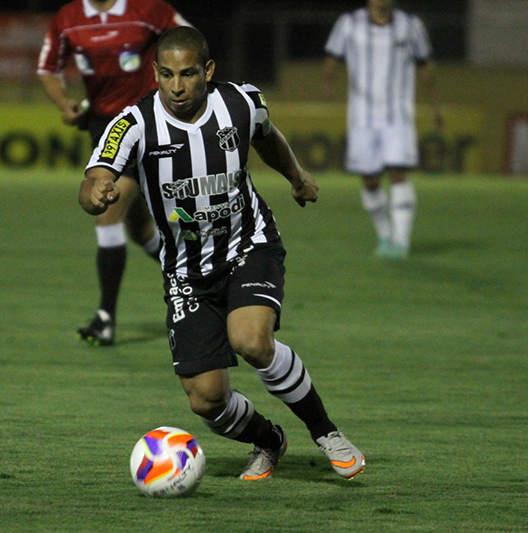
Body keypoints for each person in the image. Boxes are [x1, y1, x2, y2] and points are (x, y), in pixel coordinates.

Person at [80, 26, 365, 480]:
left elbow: (268, 137)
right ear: (154, 73)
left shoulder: (241, 102)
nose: (177, 87)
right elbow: (94, 175)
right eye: (167, 75)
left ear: (207, 71)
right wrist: (96, 193)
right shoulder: (133, 124)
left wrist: (296, 176)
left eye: (188, 74)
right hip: (186, 271)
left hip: (247, 244)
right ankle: (269, 441)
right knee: (206, 399)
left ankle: (326, 431)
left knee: (251, 341)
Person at [38, 0, 190, 346]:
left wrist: (174, 96)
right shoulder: (69, 18)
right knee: (141, 230)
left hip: (146, 124)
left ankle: (105, 317)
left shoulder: (149, 10)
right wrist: (64, 104)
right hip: (103, 127)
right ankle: (200, 279)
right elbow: (47, 68)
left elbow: (189, 43)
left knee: (107, 212)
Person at [323, 0, 442, 259]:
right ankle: (385, 235)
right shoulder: (348, 24)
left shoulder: (411, 26)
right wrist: (328, 84)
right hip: (362, 118)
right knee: (370, 180)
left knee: (398, 172)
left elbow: (426, 66)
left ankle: (401, 241)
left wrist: (435, 106)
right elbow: (332, 59)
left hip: (398, 116)